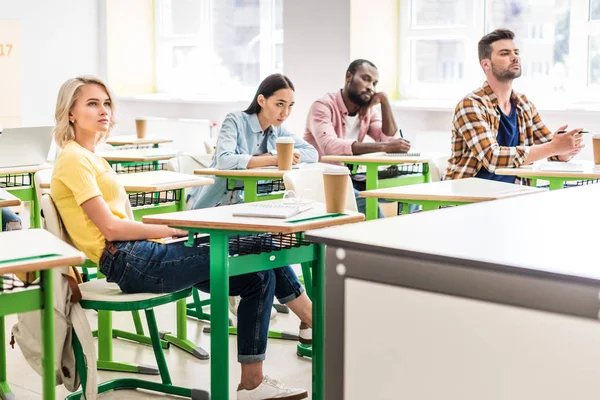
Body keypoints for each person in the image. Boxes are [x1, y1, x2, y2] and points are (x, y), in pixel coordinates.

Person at [50, 75, 311, 400]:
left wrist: (169, 234)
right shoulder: (74, 158)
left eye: (106, 103)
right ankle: (314, 321)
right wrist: (171, 229)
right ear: (70, 113)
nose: (103, 109)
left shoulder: (91, 156)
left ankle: (253, 383)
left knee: (258, 276)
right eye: (92, 103)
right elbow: (112, 229)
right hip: (128, 261)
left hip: (141, 254)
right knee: (255, 238)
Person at [444, 29, 583, 181]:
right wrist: (552, 148)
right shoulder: (471, 105)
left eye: (516, 52)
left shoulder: (524, 105)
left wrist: (566, 149)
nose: (515, 57)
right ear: (486, 64)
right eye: (505, 53)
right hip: (468, 196)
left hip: (512, 194)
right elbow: (492, 158)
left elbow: (552, 151)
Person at [187, 73, 318, 209]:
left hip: (249, 202)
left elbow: (312, 153)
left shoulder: (279, 130)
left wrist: (276, 155)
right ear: (261, 101)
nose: (285, 113)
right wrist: (274, 160)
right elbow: (224, 160)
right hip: (213, 202)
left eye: (290, 105)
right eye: (280, 104)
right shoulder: (234, 120)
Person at [304, 59, 412, 217]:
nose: (371, 87)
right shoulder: (322, 106)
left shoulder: (366, 112)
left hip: (351, 178)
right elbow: (329, 146)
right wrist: (384, 147)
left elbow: (389, 139)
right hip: (324, 181)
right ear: (349, 77)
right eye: (366, 79)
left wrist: (384, 101)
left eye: (374, 83)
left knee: (411, 194)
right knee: (372, 210)